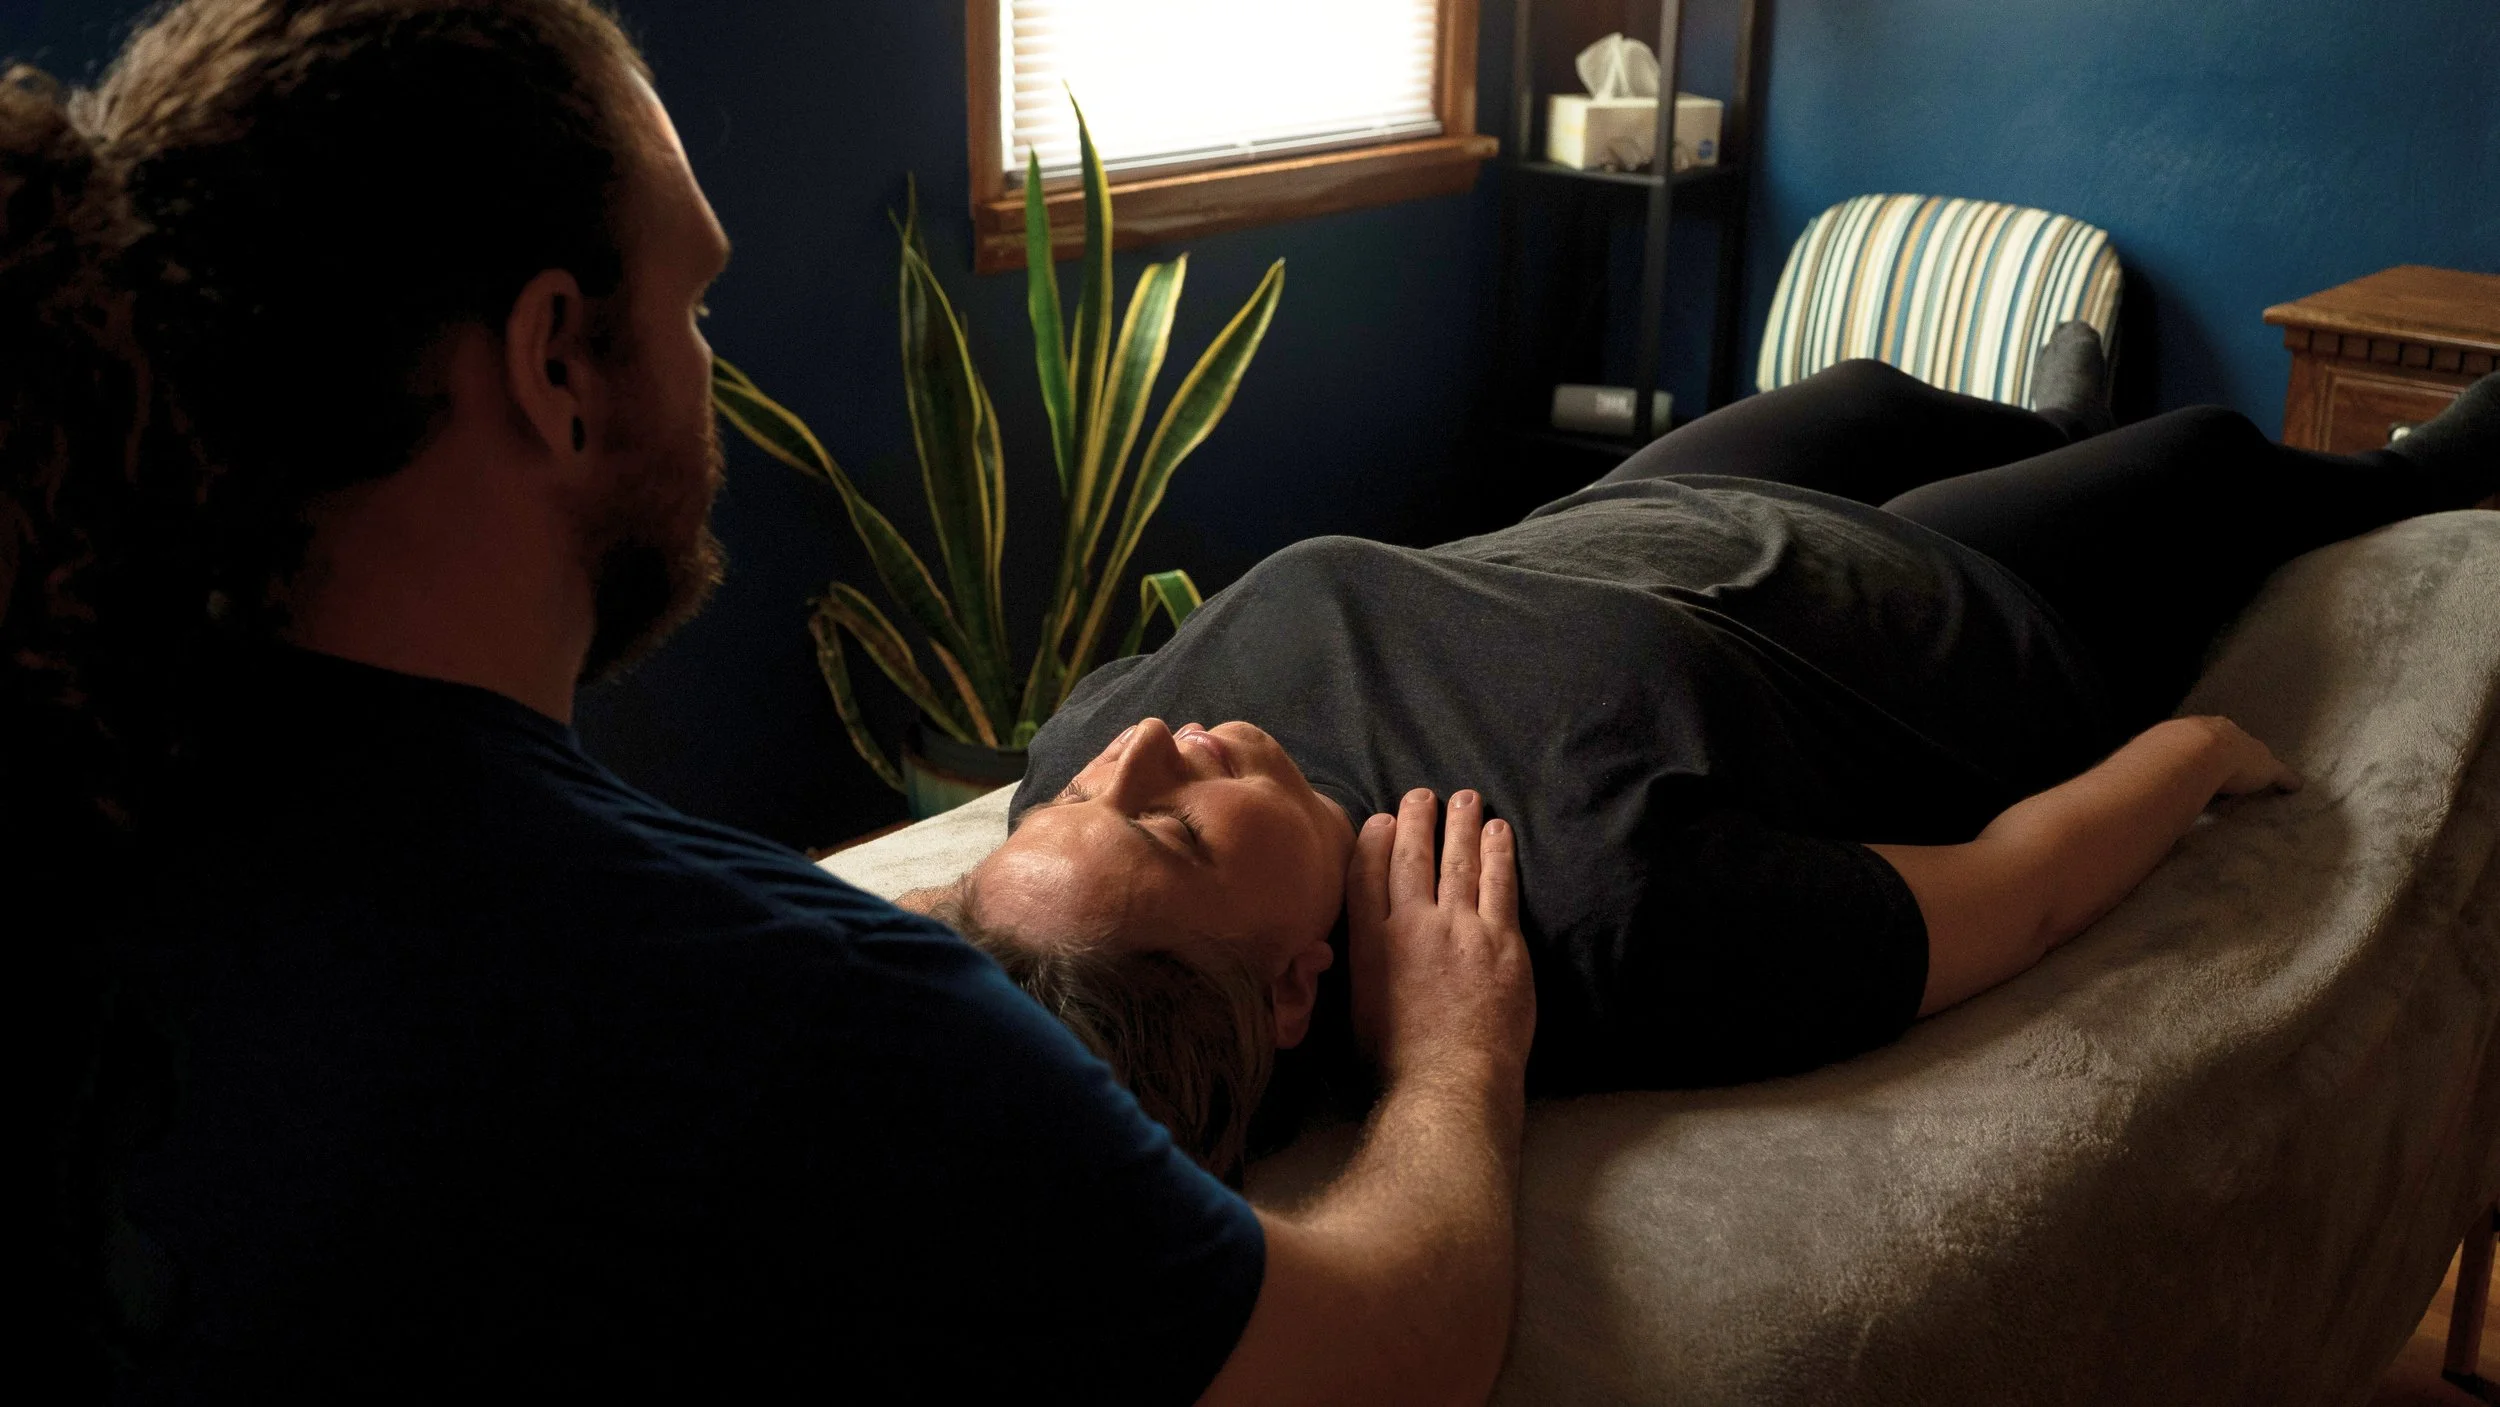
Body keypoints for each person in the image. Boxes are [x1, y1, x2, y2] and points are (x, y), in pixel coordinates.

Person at [5, 3, 1536, 1401]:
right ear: (558, 364)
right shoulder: (808, 1026)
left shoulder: (101, 800)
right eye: (695, 309)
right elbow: (1390, 1351)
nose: (710, 369)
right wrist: (1454, 1049)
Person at [929, 344, 2500, 1175]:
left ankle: (2028, 423)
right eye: (1177, 832)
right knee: (2205, 458)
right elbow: (2005, 894)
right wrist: (2189, 753)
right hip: (1943, 630)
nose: (1139, 747)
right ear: (1291, 987)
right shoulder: (1600, 918)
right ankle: (2421, 466)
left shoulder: (1074, 779)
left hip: (1610, 540)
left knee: (1865, 397)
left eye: (1084, 794)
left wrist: (1064, 829)